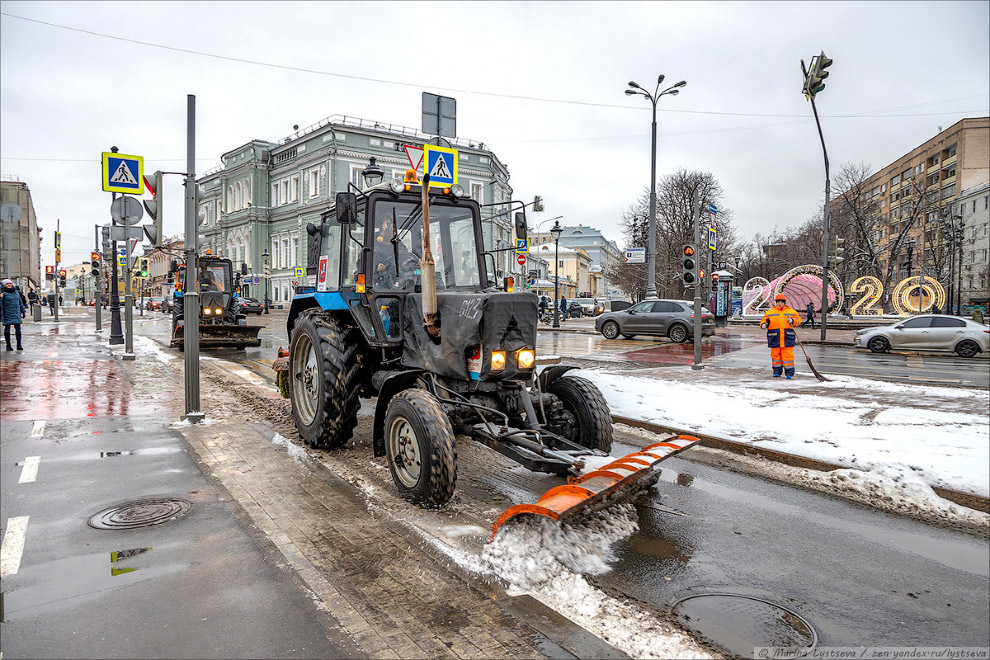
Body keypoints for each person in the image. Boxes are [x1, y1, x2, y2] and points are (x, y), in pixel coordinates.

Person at [760, 293, 802, 379]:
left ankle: (789, 373)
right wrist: (763, 324)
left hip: (787, 338)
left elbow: (798, 321)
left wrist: (793, 320)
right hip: (775, 337)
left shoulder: (791, 312)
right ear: (776, 302)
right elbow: (763, 321)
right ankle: (776, 371)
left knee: (788, 356)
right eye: (778, 302)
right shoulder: (770, 312)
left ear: (784, 302)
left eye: (781, 302)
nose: (780, 303)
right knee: (775, 356)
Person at [1, 279, 27, 351]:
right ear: (4, 285)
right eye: (7, 284)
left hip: (16, 313)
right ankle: (8, 345)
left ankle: (19, 345)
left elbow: (20, 302)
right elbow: (1, 305)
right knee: (7, 330)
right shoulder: (2, 293)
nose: (9, 285)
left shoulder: (15, 292)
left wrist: (23, 311)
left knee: (18, 330)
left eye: (10, 283)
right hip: (7, 313)